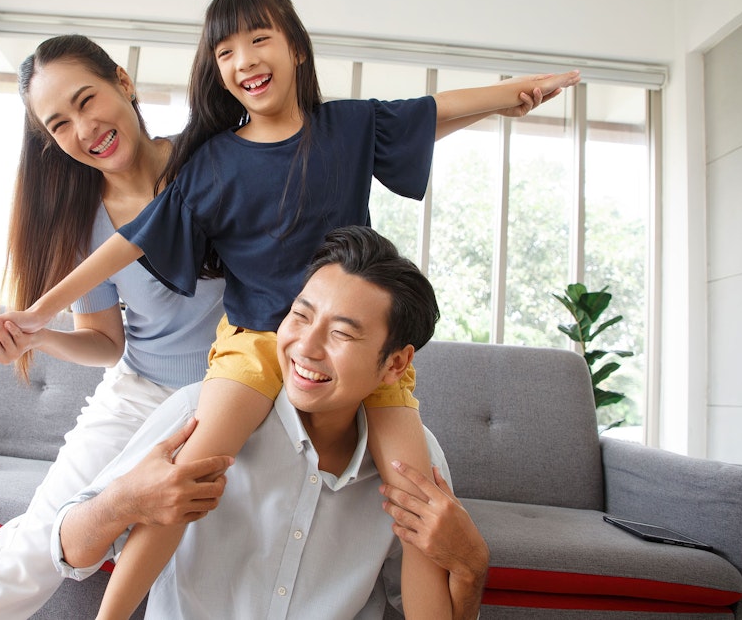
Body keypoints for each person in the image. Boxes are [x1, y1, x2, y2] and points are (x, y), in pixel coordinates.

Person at [0, 0, 578, 619]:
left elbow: (429, 111)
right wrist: (39, 313)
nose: (244, 60)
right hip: (251, 340)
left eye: (260, 39)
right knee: (190, 472)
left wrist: (510, 96)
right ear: (216, 72)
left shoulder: (348, 127)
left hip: (351, 341)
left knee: (420, 498)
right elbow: (129, 243)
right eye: (225, 52)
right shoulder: (210, 161)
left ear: (295, 47)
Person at [0, 34, 232, 619]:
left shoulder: (211, 159)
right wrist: (37, 336)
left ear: (124, 81)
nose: (83, 128)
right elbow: (105, 344)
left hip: (239, 391)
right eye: (59, 124)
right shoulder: (83, 221)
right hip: (141, 392)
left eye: (87, 99)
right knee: (43, 535)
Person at [54, 225, 483, 619]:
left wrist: (471, 569)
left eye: (342, 334)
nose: (306, 347)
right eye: (301, 315)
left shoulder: (415, 465)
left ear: (396, 365)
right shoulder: (197, 415)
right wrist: (123, 501)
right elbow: (70, 552)